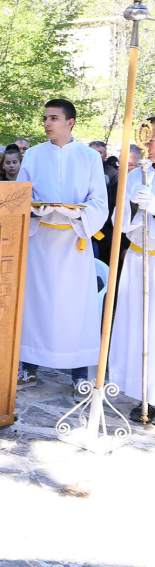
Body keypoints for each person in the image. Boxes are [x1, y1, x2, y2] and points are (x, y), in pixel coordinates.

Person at [17, 99, 107, 394]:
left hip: (74, 242)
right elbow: (20, 195)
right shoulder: (32, 155)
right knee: (35, 304)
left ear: (70, 122)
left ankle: (79, 373)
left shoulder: (89, 157)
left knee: (74, 308)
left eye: (54, 118)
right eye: (45, 117)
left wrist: (75, 213)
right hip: (40, 240)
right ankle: (28, 368)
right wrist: (37, 209)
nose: (47, 123)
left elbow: (99, 203)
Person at [109, 136, 155, 422]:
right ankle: (143, 392)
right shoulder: (137, 174)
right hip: (139, 257)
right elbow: (119, 219)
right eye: (151, 137)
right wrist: (137, 211)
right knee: (137, 329)